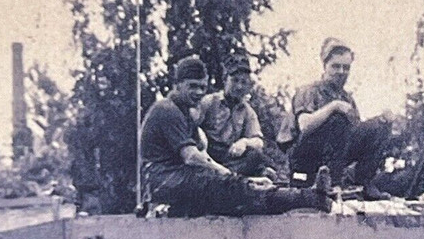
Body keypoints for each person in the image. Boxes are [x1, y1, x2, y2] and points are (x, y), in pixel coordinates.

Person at [141, 56, 331, 217]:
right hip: (164, 179)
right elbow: (191, 156)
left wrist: (244, 172)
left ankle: (305, 195)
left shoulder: (187, 110)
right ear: (177, 85)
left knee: (241, 179)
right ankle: (308, 198)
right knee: (225, 187)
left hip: (184, 175)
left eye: (202, 87)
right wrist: (228, 175)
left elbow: (256, 142)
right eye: (192, 86)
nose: (198, 93)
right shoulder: (168, 109)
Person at [282, 38, 392, 201]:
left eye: (346, 68)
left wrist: (379, 124)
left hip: (334, 158)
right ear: (325, 66)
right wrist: (334, 106)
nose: (341, 72)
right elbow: (304, 125)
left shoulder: (346, 98)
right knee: (338, 118)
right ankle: (333, 184)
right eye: (335, 66)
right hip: (305, 157)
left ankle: (364, 182)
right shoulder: (309, 91)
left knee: (380, 124)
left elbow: (353, 134)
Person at [194, 54, 278, 180]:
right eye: (235, 80)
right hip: (207, 155)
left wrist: (245, 142)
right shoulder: (209, 102)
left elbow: (258, 141)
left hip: (230, 158)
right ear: (225, 79)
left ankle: (229, 178)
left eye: (244, 82)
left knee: (256, 156)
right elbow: (191, 127)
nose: (239, 86)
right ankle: (231, 178)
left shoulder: (247, 111)